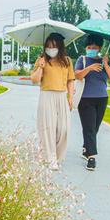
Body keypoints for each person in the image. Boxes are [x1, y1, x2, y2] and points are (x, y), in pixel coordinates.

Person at [30, 33, 75, 170]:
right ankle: (50, 158)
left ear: (60, 47)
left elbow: (70, 80)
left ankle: (57, 155)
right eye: (48, 46)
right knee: (48, 128)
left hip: (61, 96)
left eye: (54, 46)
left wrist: (70, 97)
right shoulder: (41, 60)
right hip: (46, 95)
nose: (51, 49)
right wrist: (41, 67)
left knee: (64, 129)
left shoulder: (67, 61)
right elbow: (34, 80)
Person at [74, 36, 110, 171]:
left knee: (95, 128)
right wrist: (90, 68)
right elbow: (77, 75)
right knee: (89, 128)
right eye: (89, 47)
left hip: (102, 98)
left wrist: (106, 63)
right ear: (86, 48)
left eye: (94, 47)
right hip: (86, 99)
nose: (91, 50)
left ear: (99, 48)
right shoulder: (83, 60)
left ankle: (86, 148)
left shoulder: (104, 62)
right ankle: (91, 158)